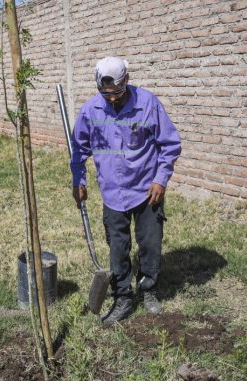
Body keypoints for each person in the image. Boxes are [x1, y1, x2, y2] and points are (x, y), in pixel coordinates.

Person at [70, 56, 181, 326]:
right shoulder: (90, 111)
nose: (111, 99)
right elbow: (79, 149)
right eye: (105, 93)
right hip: (113, 192)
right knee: (118, 248)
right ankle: (122, 297)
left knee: (150, 243)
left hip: (146, 189)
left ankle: (148, 289)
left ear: (127, 80)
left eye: (117, 92)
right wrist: (78, 180)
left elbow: (169, 144)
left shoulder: (148, 103)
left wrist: (161, 179)